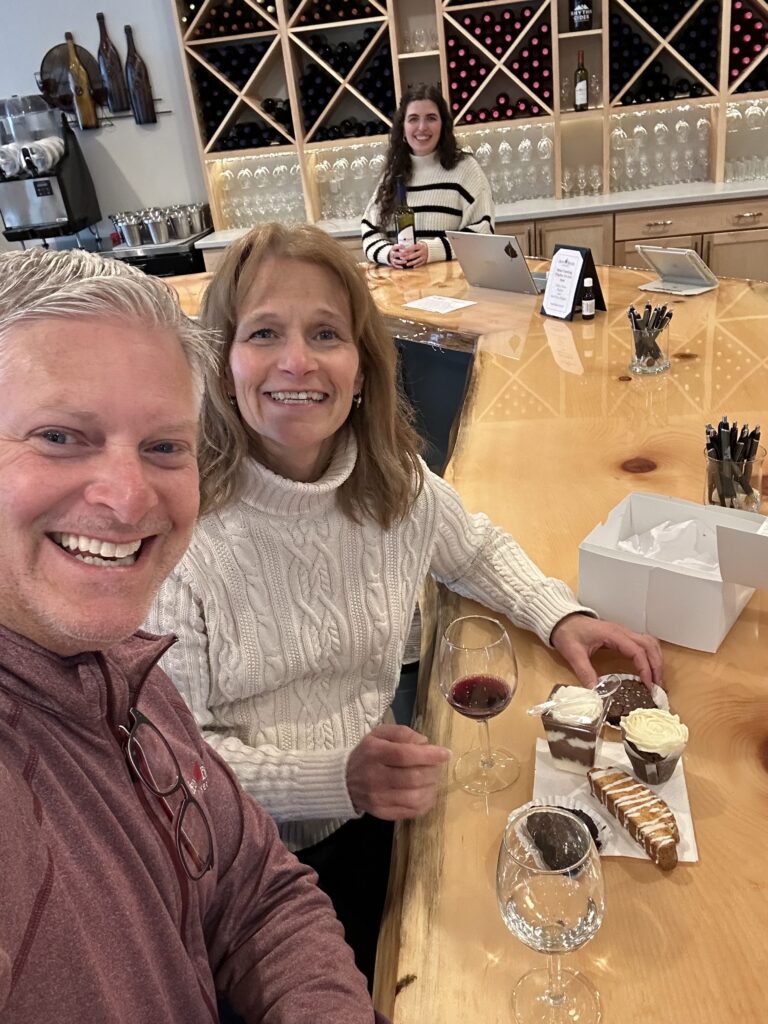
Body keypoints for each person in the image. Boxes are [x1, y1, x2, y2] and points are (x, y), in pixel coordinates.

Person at [146, 222, 663, 985]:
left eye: (326, 332)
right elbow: (177, 762)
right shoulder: (180, 537)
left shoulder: (390, 482)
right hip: (252, 866)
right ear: (223, 369)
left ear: (360, 368)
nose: (297, 360)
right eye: (264, 333)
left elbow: (476, 548)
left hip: (385, 811)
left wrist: (563, 615)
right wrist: (337, 780)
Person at [0, 247, 387, 1024]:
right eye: (59, 437)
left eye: (164, 446)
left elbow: (253, 892)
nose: (127, 496)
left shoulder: (120, 667)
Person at [361, 84, 493, 269]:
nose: (422, 127)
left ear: (443, 124)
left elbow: (484, 232)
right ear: (403, 126)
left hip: (452, 289)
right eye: (413, 119)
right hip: (400, 290)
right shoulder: (393, 173)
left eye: (431, 118)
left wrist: (433, 250)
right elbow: (369, 230)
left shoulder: (466, 170)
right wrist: (388, 254)